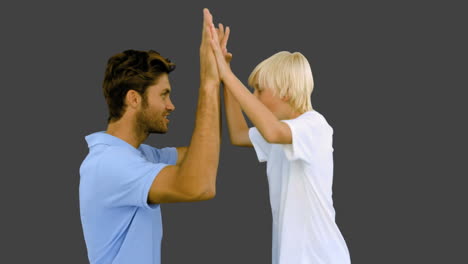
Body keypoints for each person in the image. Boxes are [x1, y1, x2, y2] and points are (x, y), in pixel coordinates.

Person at [79, 9, 227, 264]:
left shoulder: (140, 155)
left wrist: (222, 77)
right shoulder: (110, 165)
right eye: (163, 95)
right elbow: (199, 185)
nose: (171, 105)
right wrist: (208, 83)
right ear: (134, 99)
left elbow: (204, 153)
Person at [207, 19, 351, 264]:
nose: (254, 97)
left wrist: (228, 75)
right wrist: (226, 79)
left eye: (259, 90)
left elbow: (273, 132)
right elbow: (239, 134)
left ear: (285, 91)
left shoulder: (314, 126)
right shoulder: (281, 132)